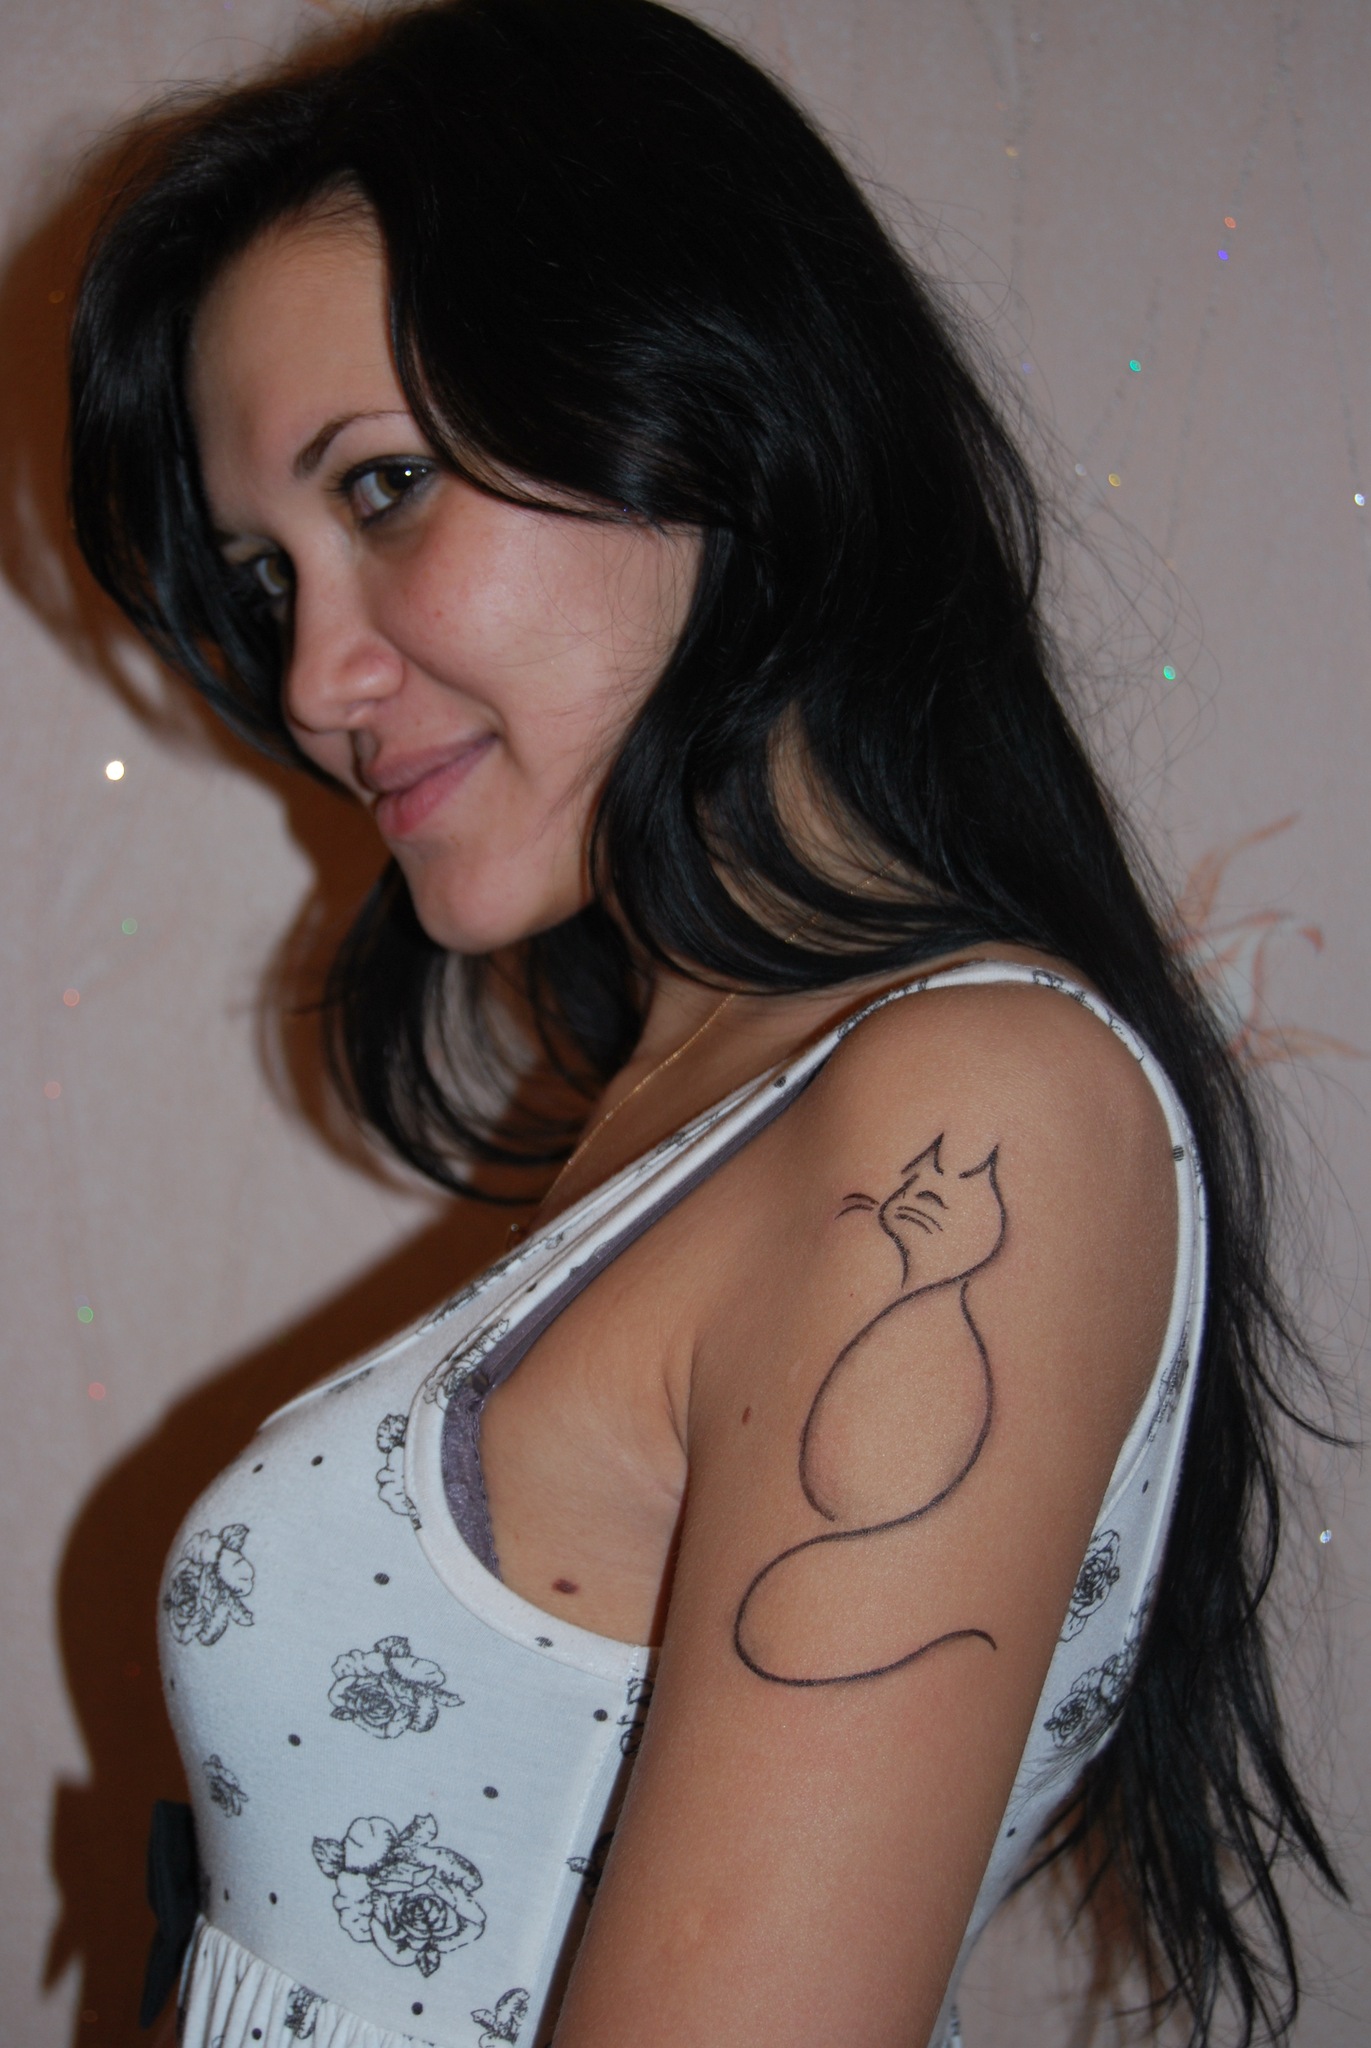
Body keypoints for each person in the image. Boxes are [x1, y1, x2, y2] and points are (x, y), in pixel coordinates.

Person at [67, 3, 1340, 2044]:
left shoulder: (969, 1110)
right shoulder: (718, 1100)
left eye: (382, 488)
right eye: (268, 576)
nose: (312, 682)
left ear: (711, 395)